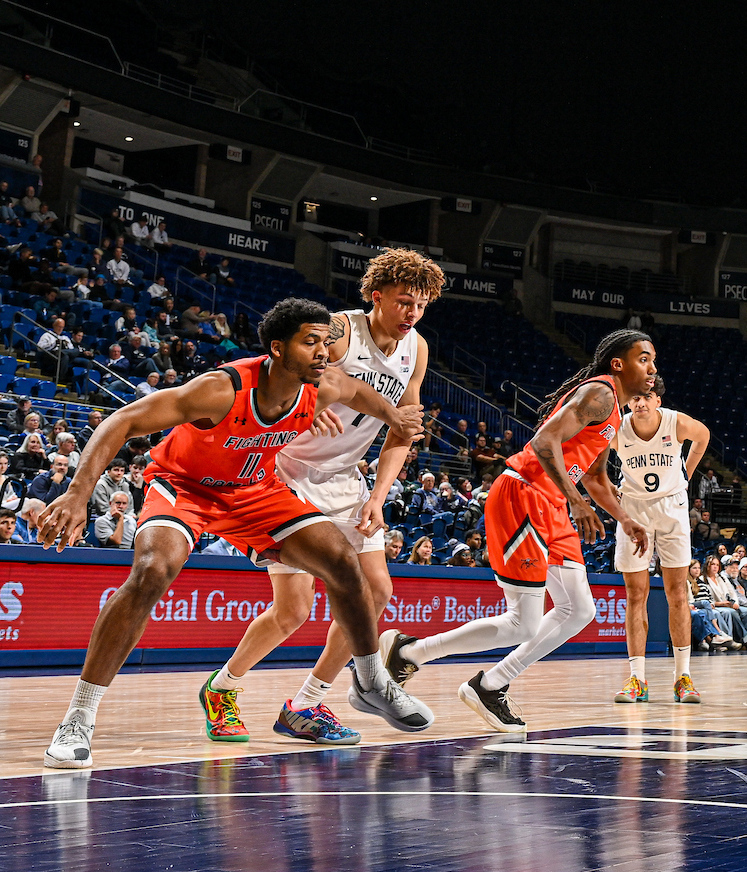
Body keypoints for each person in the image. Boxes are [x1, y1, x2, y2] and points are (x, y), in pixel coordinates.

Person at [34, 298, 432, 768]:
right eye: (311, 343)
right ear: (277, 349)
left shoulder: (323, 385)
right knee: (153, 570)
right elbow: (123, 421)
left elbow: (364, 396)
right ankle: (79, 716)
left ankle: (369, 679)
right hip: (185, 486)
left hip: (253, 490)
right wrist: (79, 494)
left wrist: (395, 417)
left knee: (344, 561)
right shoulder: (220, 390)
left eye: (326, 342)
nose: (324, 352)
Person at [206, 249, 440, 746]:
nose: (411, 314)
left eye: (420, 305)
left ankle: (307, 703)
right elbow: (284, 370)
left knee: (376, 593)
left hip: (347, 480)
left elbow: (404, 429)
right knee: (293, 610)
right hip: (285, 471)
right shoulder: (338, 330)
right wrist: (301, 404)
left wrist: (379, 493)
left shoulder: (416, 349)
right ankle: (222, 688)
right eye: (403, 302)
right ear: (376, 296)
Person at [386, 330, 656, 736]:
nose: (652, 369)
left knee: (580, 610)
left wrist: (624, 517)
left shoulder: (614, 410)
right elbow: (544, 441)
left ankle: (490, 684)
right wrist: (578, 504)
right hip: (524, 494)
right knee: (523, 624)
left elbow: (597, 477)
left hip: (554, 506)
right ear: (618, 363)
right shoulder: (599, 393)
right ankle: (410, 651)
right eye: (644, 359)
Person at [610, 373, 711, 705]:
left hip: (672, 507)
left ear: (658, 401)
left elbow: (704, 434)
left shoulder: (674, 422)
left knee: (677, 593)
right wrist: (609, 491)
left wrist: (687, 471)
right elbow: (588, 458)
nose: (640, 402)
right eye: (635, 397)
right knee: (635, 594)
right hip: (633, 510)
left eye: (646, 397)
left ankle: (683, 677)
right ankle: (637, 679)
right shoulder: (618, 427)